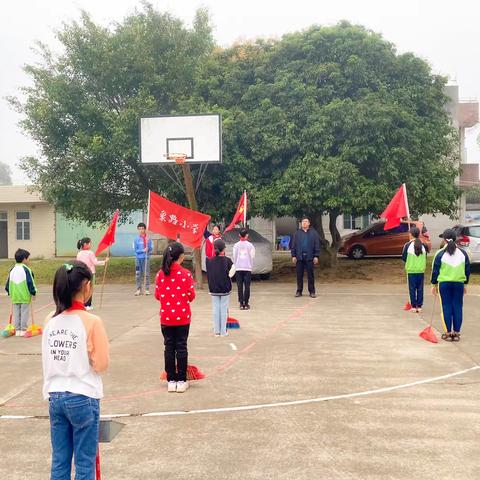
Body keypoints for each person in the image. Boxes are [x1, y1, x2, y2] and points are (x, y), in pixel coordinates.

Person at [42, 260, 109, 479]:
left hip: (55, 396)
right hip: (83, 396)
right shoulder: (91, 321)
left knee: (59, 461)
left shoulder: (50, 320)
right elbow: (101, 364)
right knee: (84, 463)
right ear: (87, 286)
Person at [155, 242, 195, 393]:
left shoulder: (160, 274)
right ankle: (182, 380)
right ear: (182, 257)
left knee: (169, 348)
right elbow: (191, 296)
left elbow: (158, 295)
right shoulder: (186, 274)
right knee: (181, 347)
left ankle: (171, 380)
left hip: (166, 318)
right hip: (182, 317)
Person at [431, 228, 470, 342]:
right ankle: (456, 333)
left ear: (444, 239)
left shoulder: (440, 253)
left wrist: (433, 284)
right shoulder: (463, 253)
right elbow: (467, 270)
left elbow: (435, 270)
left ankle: (448, 333)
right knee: (457, 307)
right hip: (459, 283)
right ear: (455, 239)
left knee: (446, 306)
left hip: (444, 284)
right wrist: (465, 285)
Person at [206, 239, 236, 336]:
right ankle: (223, 331)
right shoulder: (227, 260)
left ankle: (216, 331)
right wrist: (228, 276)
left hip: (213, 287)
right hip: (225, 288)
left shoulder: (209, 261)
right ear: (224, 249)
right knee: (223, 309)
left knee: (215, 309)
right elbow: (232, 271)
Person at [5, 248, 37, 336]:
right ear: (24, 259)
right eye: (28, 258)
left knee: (16, 312)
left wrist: (9, 292)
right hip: (24, 295)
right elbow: (30, 282)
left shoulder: (12, 269)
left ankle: (17, 330)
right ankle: (23, 330)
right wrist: (33, 292)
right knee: (24, 312)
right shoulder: (27, 270)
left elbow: (7, 283)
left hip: (15, 295)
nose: (29, 260)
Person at [402, 226, 430, 313]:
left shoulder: (407, 245)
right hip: (420, 270)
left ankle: (414, 306)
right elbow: (425, 257)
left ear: (411, 234)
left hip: (411, 270)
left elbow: (404, 258)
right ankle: (420, 306)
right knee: (420, 288)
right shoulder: (424, 245)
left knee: (412, 288)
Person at [291, 217, 320, 298]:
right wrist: (293, 255)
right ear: (301, 223)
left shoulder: (314, 233)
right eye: (303, 221)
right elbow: (293, 245)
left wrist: (316, 256)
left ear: (309, 223)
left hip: (310, 257)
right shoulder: (297, 233)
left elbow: (317, 245)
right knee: (299, 275)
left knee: (310, 275)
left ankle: (312, 291)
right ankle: (299, 291)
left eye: (306, 221)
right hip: (299, 257)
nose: (304, 223)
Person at [76, 237, 108, 311]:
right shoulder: (90, 253)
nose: (91, 244)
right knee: (89, 289)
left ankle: (83, 304)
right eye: (90, 243)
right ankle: (88, 305)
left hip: (81, 273)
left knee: (83, 289)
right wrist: (104, 261)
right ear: (86, 244)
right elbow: (95, 262)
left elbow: (78, 263)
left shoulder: (79, 253)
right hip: (90, 273)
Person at [233, 228, 255, 309]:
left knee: (239, 286)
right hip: (247, 268)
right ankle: (246, 303)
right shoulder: (250, 245)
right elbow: (252, 257)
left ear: (239, 235)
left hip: (238, 267)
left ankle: (241, 303)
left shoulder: (236, 245)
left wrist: (236, 264)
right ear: (247, 235)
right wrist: (250, 265)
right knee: (247, 286)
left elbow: (234, 256)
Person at [133, 222, 153, 296]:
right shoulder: (136, 239)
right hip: (138, 259)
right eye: (140, 229)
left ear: (145, 229)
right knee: (138, 274)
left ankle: (147, 289)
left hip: (146, 258)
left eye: (142, 229)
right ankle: (138, 289)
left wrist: (148, 249)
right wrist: (142, 250)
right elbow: (135, 250)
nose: (141, 230)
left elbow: (151, 248)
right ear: (138, 229)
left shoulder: (148, 239)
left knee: (146, 274)